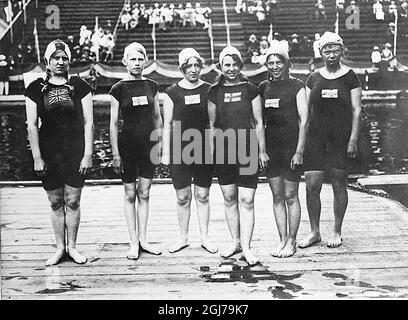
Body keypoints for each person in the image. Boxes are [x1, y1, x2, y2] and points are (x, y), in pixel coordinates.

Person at [24, 39, 94, 266]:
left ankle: (72, 247)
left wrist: (88, 154)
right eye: (56, 58)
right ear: (47, 61)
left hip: (74, 149)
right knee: (55, 202)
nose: (61, 62)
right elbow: (32, 125)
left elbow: (88, 124)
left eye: (65, 58)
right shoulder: (35, 88)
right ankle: (59, 248)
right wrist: (37, 157)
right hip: (49, 151)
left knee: (73, 200)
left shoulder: (80, 86)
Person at [299, 32, 362, 249]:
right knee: (311, 186)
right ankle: (315, 231)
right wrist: (300, 145)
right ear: (321, 52)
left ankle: (336, 230)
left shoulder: (350, 76)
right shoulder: (313, 78)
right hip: (316, 138)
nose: (331, 54)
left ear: (341, 50)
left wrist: (353, 139)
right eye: (327, 50)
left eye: (335, 49)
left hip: (340, 137)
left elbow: (357, 110)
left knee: (338, 183)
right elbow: (304, 114)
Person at [207, 46, 269, 265]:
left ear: (240, 66)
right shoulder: (214, 91)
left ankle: (247, 248)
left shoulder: (250, 89)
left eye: (234, 65)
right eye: (227, 65)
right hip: (224, 150)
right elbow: (212, 125)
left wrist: (262, 151)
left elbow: (259, 122)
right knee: (230, 198)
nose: (231, 69)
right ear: (221, 67)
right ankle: (235, 242)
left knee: (247, 199)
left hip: (247, 148)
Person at [109, 42, 163, 260]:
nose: (137, 63)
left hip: (148, 145)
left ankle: (143, 240)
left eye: (140, 59)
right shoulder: (118, 88)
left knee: (145, 192)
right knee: (130, 193)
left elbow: (157, 118)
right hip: (128, 145)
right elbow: (113, 124)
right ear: (125, 62)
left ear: (146, 61)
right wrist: (115, 154)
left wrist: (159, 145)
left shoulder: (152, 85)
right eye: (133, 59)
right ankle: (133, 243)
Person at [161, 48, 217, 254]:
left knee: (202, 195)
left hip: (203, 149)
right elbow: (166, 124)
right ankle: (183, 238)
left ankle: (204, 237)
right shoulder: (172, 93)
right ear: (182, 68)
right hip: (180, 149)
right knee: (182, 197)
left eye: (196, 65)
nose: (193, 70)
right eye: (189, 66)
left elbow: (213, 123)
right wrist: (166, 152)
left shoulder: (210, 90)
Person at [258, 42, 308, 258]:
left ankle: (292, 241)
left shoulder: (297, 86)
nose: (275, 66)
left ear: (287, 64)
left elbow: (304, 121)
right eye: (271, 63)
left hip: (291, 145)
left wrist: (299, 151)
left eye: (279, 62)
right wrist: (262, 150)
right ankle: (281, 239)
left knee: (290, 195)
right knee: (277, 195)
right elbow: (258, 121)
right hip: (271, 146)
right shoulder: (263, 87)